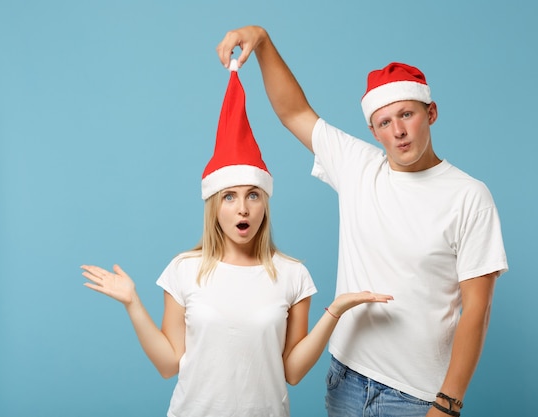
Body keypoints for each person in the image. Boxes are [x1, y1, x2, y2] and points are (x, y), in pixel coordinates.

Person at [216, 26, 509, 417]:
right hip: (346, 379)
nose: (399, 131)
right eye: (385, 122)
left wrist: (448, 402)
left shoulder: (469, 196)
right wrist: (264, 43)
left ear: (431, 113)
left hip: (417, 395)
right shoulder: (358, 166)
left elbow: (477, 309)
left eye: (407, 115)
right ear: (373, 131)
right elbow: (293, 112)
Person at [81, 60, 393, 417]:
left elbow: (292, 372)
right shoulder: (184, 270)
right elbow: (169, 364)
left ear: (265, 204)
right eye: (229, 196)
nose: (243, 208)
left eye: (253, 195)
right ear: (214, 206)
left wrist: (334, 312)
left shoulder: (293, 276)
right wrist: (132, 303)